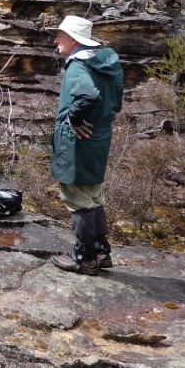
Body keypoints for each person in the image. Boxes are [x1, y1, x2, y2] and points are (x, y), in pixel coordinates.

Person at [48, 15, 124, 276]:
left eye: (60, 35)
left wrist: (73, 117)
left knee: (78, 200)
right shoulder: (106, 63)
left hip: (77, 143)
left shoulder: (78, 67)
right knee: (93, 197)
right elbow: (115, 102)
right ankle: (101, 252)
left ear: (73, 40)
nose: (56, 40)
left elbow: (88, 95)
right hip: (99, 139)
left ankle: (84, 257)